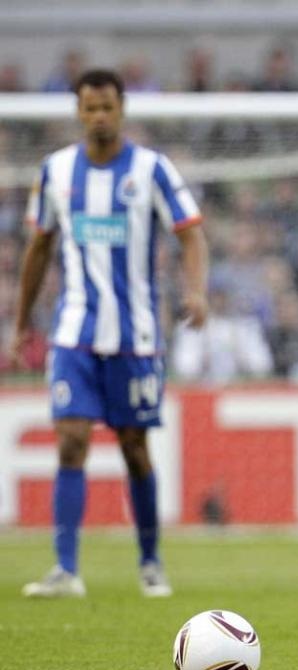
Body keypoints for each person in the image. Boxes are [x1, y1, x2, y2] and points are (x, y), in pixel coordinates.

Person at [12, 68, 210, 598]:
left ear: (122, 110)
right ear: (78, 112)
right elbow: (38, 248)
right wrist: (20, 322)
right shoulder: (56, 170)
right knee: (71, 441)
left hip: (135, 337)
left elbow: (191, 234)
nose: (99, 116)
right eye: (90, 108)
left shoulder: (152, 169)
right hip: (73, 333)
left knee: (134, 448)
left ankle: (150, 561)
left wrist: (196, 291)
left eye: (107, 107)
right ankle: (65, 569)